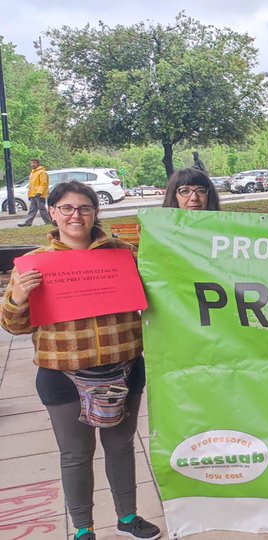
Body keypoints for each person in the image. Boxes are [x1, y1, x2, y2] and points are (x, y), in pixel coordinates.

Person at [2, 182, 161, 540]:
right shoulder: (34, 264)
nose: (77, 215)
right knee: (75, 453)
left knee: (120, 446)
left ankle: (127, 518)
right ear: (53, 212)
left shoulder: (125, 254)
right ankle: (83, 529)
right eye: (68, 208)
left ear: (96, 212)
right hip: (63, 374)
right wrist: (18, 296)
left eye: (85, 208)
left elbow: (155, 298)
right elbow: (13, 325)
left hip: (124, 368)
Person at [18, 159, 52, 227]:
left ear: (38, 164)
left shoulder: (42, 172)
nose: (32, 164)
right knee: (32, 209)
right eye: (31, 163)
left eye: (34, 163)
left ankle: (49, 222)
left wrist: (39, 192)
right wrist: (30, 194)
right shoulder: (32, 173)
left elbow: (43, 183)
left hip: (39, 195)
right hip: (33, 194)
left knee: (42, 209)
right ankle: (28, 223)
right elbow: (31, 185)